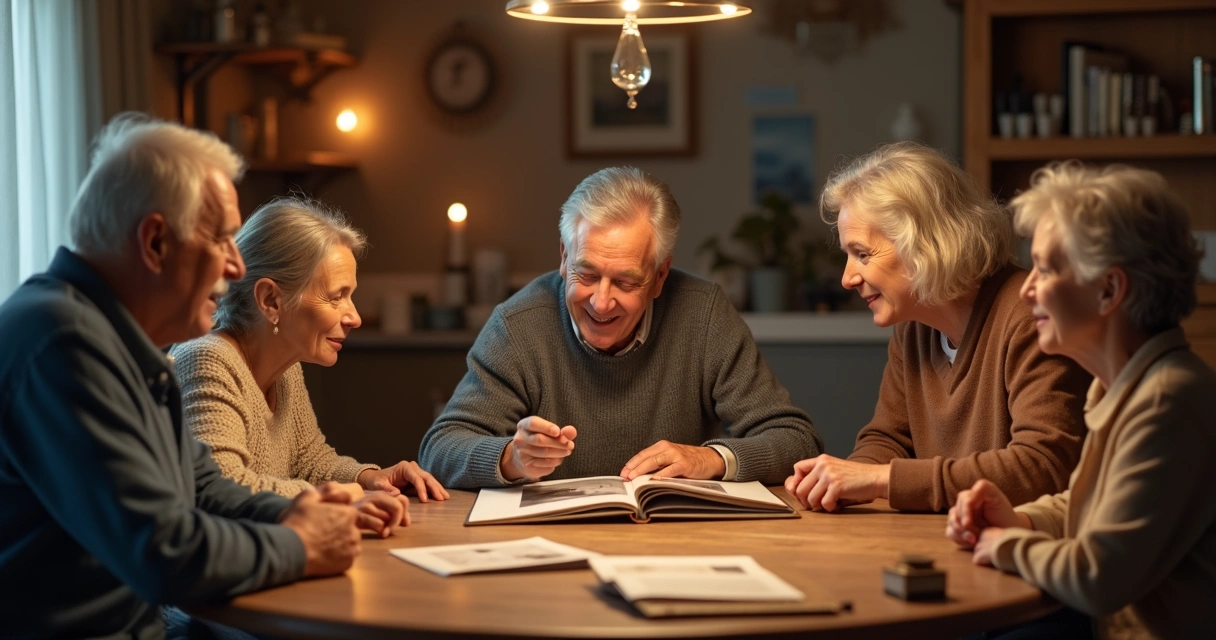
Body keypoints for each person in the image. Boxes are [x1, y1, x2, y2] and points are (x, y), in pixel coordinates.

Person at [0, 113, 407, 639]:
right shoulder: (65, 343)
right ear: (155, 243)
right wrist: (301, 543)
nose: (236, 267)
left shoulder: (114, 339)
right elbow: (163, 552)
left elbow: (204, 487)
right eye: (221, 240)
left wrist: (300, 512)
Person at [419, 166, 821, 488]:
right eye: (587, 274)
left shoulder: (703, 314)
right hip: (549, 550)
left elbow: (795, 439)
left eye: (626, 282)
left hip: (677, 546)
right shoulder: (517, 326)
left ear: (661, 275)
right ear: (564, 256)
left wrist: (712, 459)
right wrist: (511, 457)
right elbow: (440, 448)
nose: (601, 301)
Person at [947, 162, 1216, 639]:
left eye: (1046, 269)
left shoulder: (1166, 401)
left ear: (1109, 289)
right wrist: (1023, 518)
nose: (1026, 287)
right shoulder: (1124, 385)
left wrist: (1005, 544)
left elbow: (1098, 575)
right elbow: (1091, 506)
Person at [785, 142, 1090, 513]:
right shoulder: (914, 326)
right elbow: (888, 439)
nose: (848, 277)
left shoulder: (1029, 316)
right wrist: (842, 480)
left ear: (925, 244)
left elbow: (1043, 466)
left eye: (862, 254)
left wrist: (879, 480)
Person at [170, 197, 448, 501]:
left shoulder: (286, 367)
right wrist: (351, 493)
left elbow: (310, 462)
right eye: (335, 297)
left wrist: (371, 478)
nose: (354, 317)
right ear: (271, 301)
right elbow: (225, 490)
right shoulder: (206, 360)